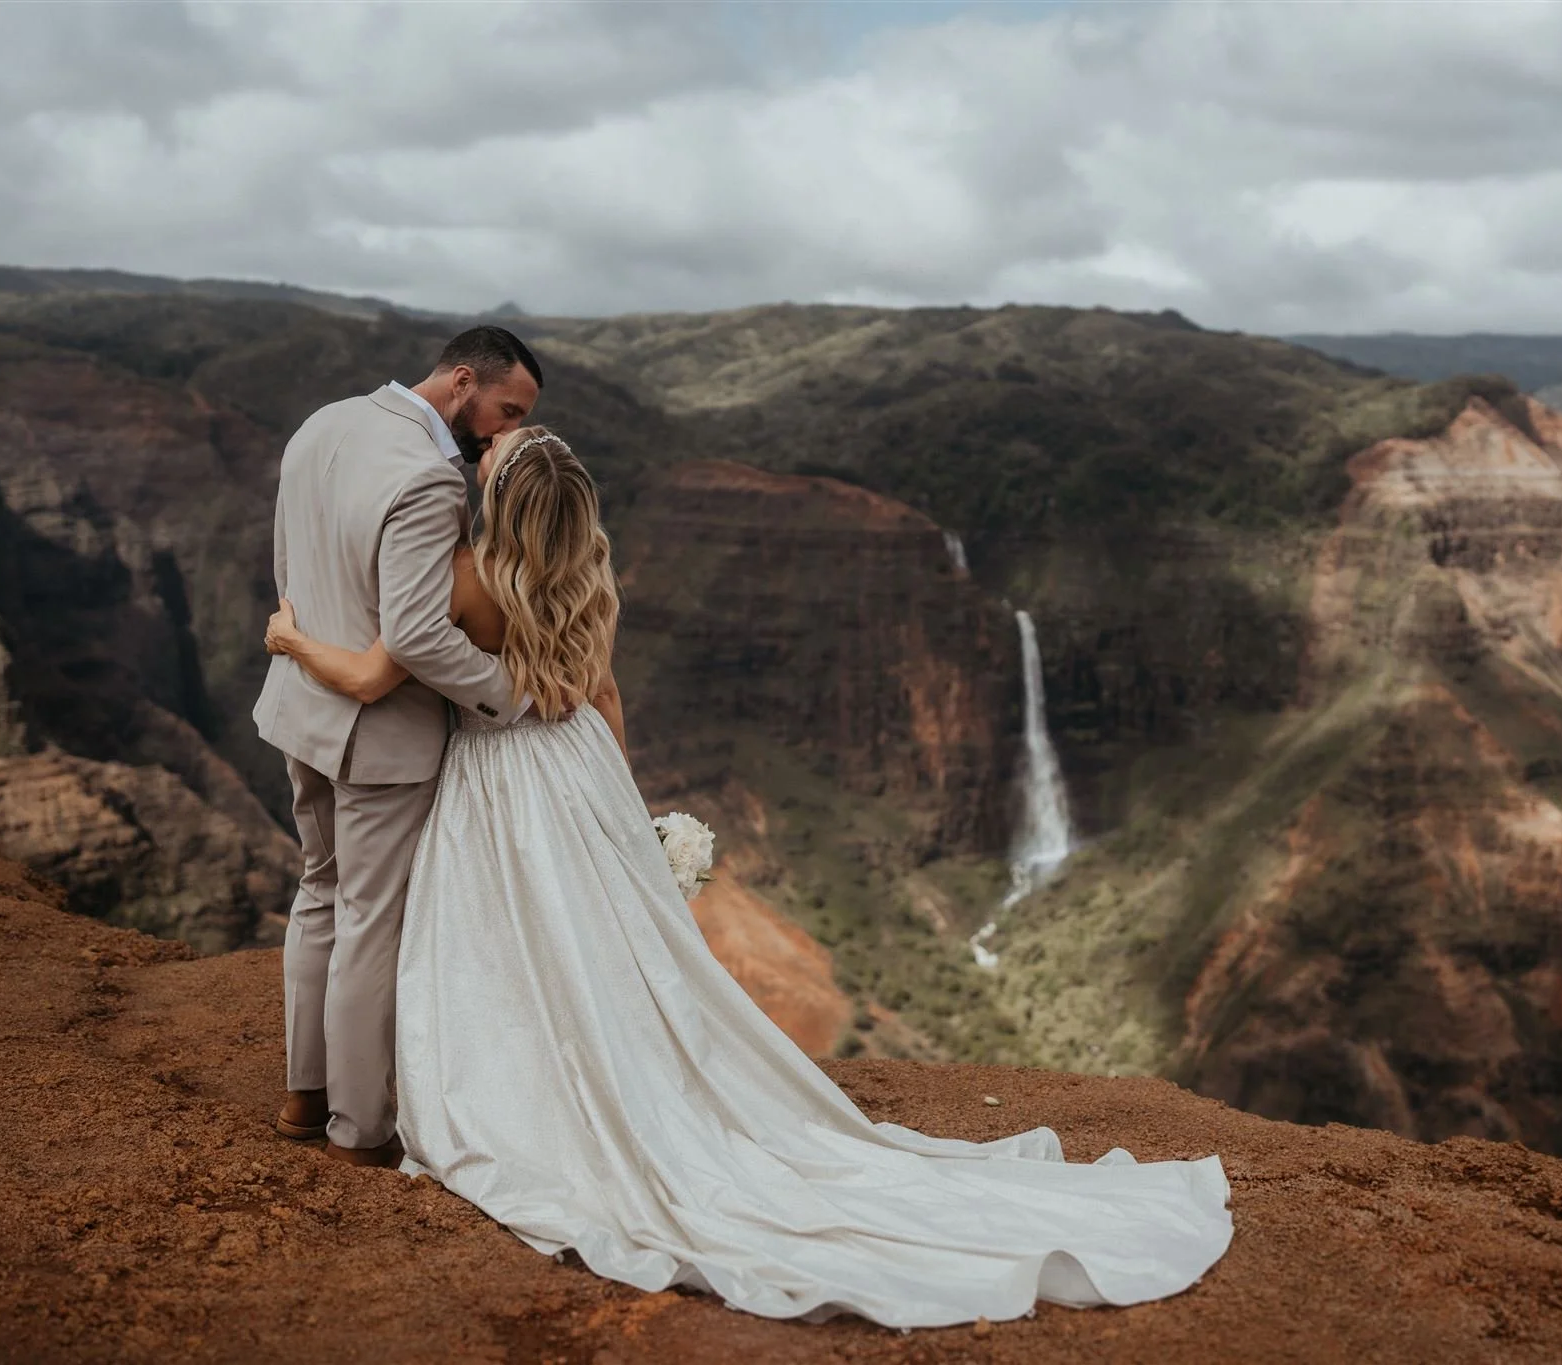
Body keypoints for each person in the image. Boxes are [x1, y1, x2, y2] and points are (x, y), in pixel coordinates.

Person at [262, 426, 1233, 1328]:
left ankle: (481, 1094)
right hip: (580, 771)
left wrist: (291, 641)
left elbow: (378, 675)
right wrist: (623, 816)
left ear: (502, 500)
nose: (478, 453)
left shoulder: (464, 579)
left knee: (502, 944)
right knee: (604, 943)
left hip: (493, 784)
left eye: (493, 454)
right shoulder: (592, 578)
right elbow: (601, 696)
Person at [251, 326, 541, 1165]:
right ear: (462, 381)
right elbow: (416, 636)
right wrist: (507, 696)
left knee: (319, 892)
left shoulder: (322, 424)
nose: (500, 433)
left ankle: (304, 1097)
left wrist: (315, 656)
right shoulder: (430, 477)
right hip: (379, 736)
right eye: (504, 410)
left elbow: (290, 570)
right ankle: (358, 1127)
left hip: (301, 705)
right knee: (370, 921)